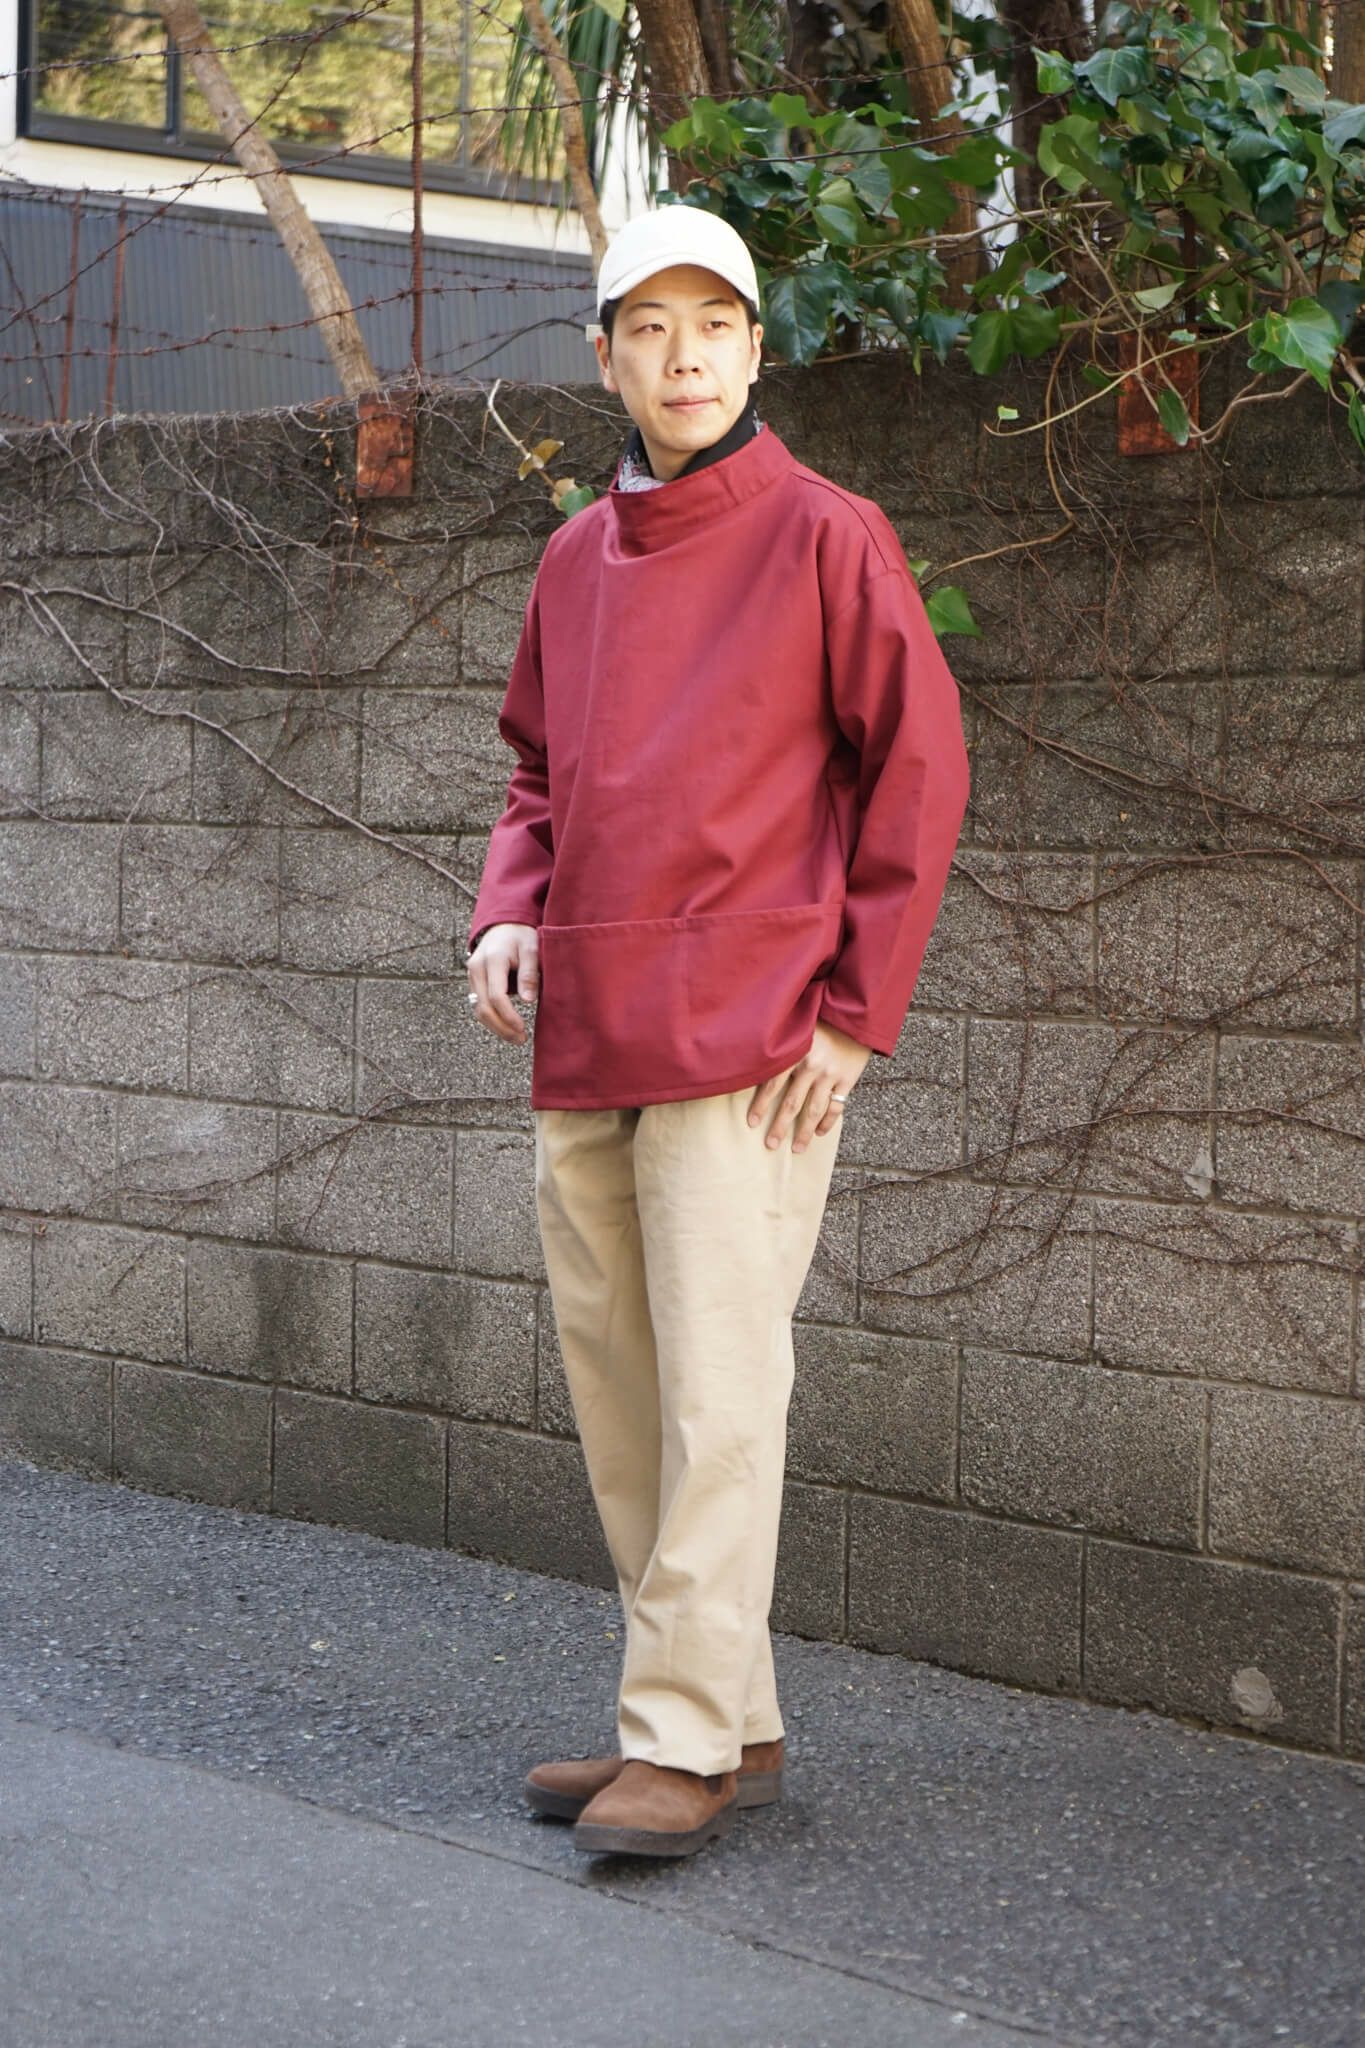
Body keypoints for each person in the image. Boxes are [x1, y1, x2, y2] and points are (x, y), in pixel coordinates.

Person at [465, 205, 970, 1859]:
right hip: (586, 1023)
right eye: (649, 328)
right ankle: (722, 1719)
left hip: (750, 1039)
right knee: (625, 1395)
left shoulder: (827, 535)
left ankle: (673, 1738)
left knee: (721, 1398)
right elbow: (536, 774)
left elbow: (916, 775)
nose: (683, 357)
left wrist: (855, 1018)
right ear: (605, 359)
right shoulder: (572, 560)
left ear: (755, 349)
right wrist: (506, 909)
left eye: (713, 326)